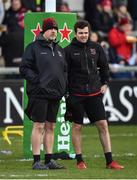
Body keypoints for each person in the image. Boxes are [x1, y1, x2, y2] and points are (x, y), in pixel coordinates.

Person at [64, 20, 124, 170]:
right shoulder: (68, 51)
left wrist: (105, 83)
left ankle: (110, 161)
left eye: (86, 33)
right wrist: (66, 92)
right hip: (75, 95)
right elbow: (63, 73)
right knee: (77, 126)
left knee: (103, 125)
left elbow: (104, 67)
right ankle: (79, 161)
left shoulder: (96, 48)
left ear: (89, 32)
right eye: (81, 33)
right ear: (75, 33)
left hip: (94, 93)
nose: (84, 35)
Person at [20, 17, 67, 170]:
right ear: (44, 31)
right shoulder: (33, 47)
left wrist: (63, 88)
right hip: (39, 93)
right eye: (50, 28)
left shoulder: (60, 50)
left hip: (55, 94)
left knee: (51, 126)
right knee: (39, 125)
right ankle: (36, 161)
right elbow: (24, 68)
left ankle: (48, 160)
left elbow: (64, 71)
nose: (54, 31)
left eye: (55, 29)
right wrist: (38, 81)